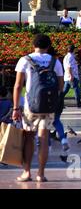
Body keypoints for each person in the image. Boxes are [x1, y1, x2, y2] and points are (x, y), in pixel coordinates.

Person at [12, 34, 64, 182]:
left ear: (33, 45)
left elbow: (17, 86)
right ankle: (41, 174)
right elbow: (60, 86)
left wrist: (16, 108)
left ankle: (27, 172)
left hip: (31, 106)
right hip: (49, 105)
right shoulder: (55, 62)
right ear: (48, 46)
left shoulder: (25, 60)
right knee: (44, 138)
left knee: (29, 137)